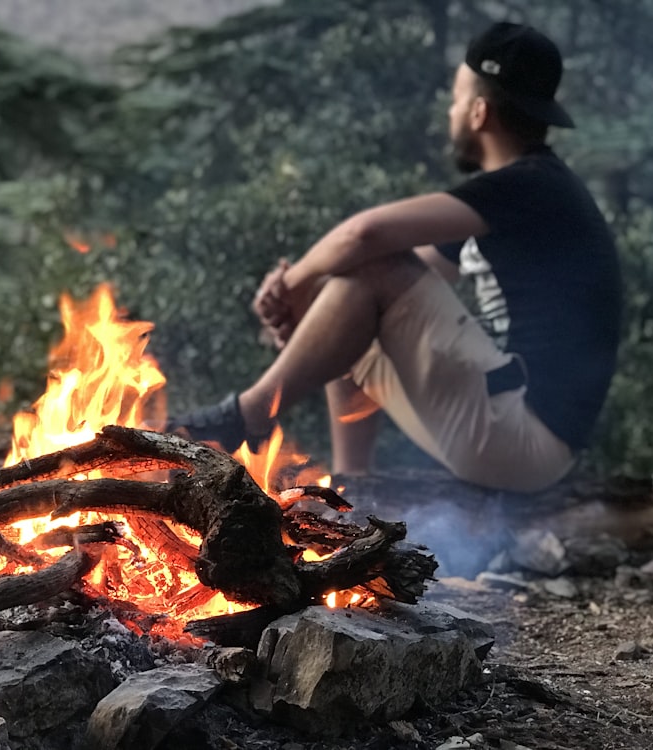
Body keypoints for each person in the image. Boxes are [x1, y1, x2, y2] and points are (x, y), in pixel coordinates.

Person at [166, 21, 622, 493]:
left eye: (456, 100)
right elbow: (384, 286)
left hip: (526, 437)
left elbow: (368, 238)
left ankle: (248, 414)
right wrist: (308, 301)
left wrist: (293, 285)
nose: (451, 113)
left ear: (479, 112)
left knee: (374, 265)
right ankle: (353, 488)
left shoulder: (528, 184)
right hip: (516, 433)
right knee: (356, 289)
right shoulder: (528, 193)